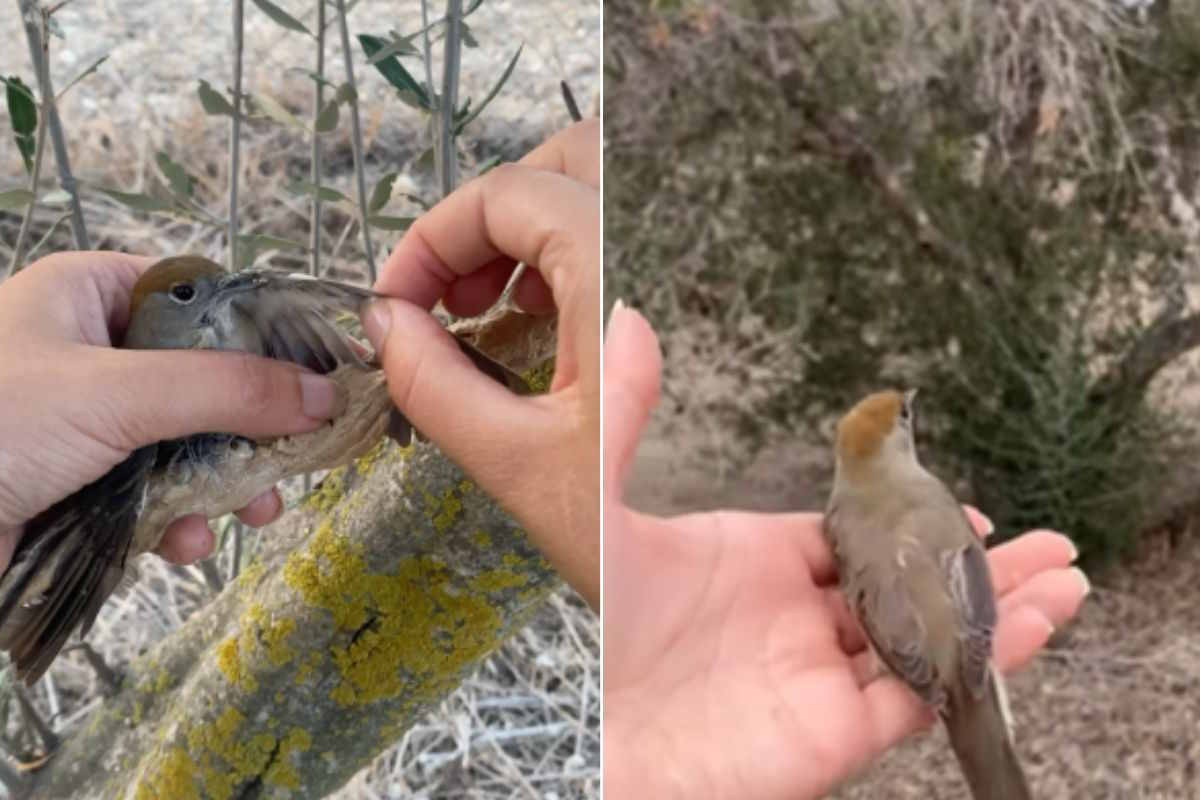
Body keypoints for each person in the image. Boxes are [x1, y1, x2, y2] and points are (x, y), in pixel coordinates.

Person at [0, 119, 599, 608]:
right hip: (112, 490)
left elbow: (282, 306)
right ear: (152, 315)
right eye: (188, 296)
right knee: (117, 516)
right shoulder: (117, 388)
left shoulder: (229, 315)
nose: (219, 295)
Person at [602, 303, 1089, 798]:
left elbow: (870, 599)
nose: (910, 415)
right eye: (906, 416)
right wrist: (963, 653)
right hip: (955, 632)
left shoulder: (842, 519)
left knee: (965, 706)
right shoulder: (931, 497)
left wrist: (924, 669)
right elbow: (967, 568)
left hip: (910, 644)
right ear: (898, 444)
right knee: (975, 714)